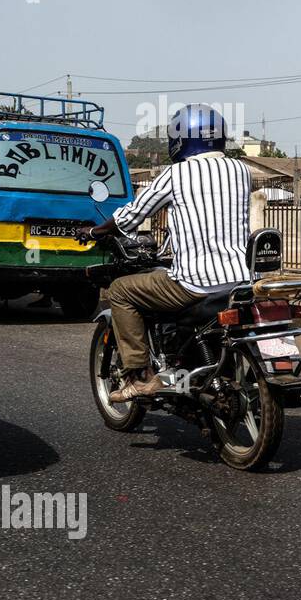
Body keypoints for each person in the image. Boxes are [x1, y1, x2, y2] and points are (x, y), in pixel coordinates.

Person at [85, 104, 251, 401]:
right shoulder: (241, 170)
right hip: (240, 280)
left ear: (181, 138)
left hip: (195, 283)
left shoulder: (176, 173)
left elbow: (131, 216)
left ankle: (140, 376)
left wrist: (96, 231)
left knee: (121, 290)